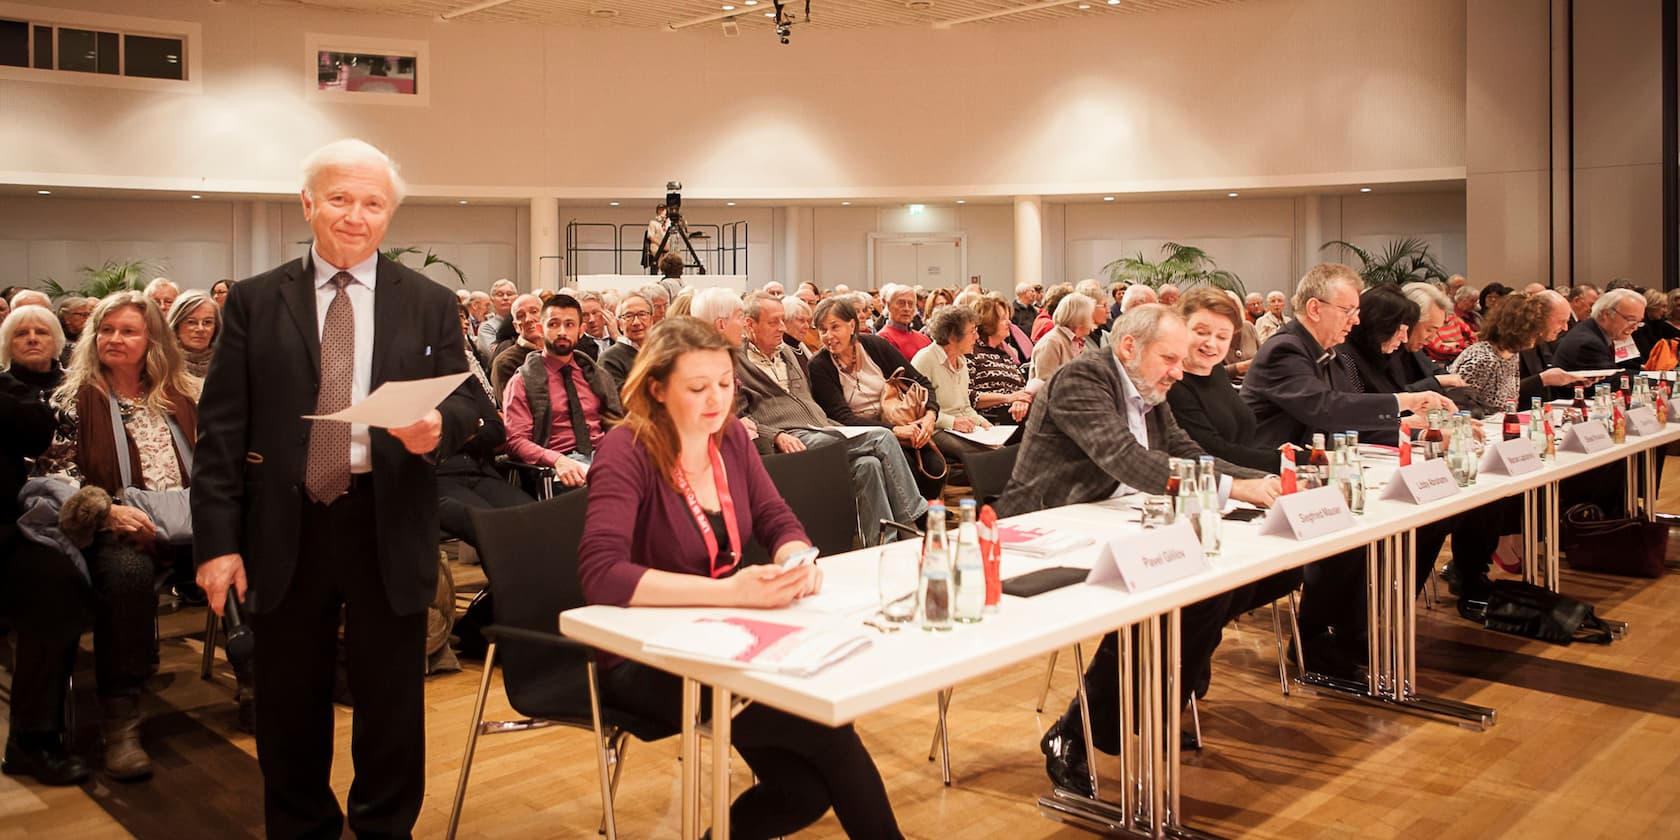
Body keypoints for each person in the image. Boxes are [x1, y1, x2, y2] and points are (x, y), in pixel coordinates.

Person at [192, 139, 480, 839]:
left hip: (387, 520)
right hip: (284, 526)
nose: (356, 216)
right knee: (289, 703)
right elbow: (221, 434)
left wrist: (438, 426)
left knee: (391, 704)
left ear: (390, 216)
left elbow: (477, 412)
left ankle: (385, 828)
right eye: (341, 199)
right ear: (309, 204)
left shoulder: (432, 304)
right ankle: (300, 828)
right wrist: (217, 544)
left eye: (373, 203)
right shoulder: (257, 302)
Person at [577, 316, 905, 839]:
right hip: (647, 654)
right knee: (830, 737)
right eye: (698, 388)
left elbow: (776, 518)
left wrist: (798, 557)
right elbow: (602, 576)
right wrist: (729, 590)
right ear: (657, 389)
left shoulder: (728, 436)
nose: (716, 401)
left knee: (804, 787)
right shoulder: (628, 450)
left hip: (726, 635)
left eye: (726, 385)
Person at [994, 304, 1282, 797]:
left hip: (1116, 520)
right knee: (1176, 592)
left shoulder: (1150, 388)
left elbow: (1185, 450)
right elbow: (1127, 460)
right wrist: (1233, 489)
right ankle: (1083, 730)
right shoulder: (1082, 378)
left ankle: (1138, 710)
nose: (1178, 371)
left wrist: (1267, 481)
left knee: (1219, 585)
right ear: (1130, 347)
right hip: (1045, 529)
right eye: (1169, 359)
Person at [31, 292, 200, 782]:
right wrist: (108, 512)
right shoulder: (71, 397)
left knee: (259, 553)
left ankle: (257, 685)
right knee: (126, 573)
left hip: (191, 518)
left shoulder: (184, 393)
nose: (115, 339)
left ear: (153, 340)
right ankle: (121, 720)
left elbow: (215, 462)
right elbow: (55, 477)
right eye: (106, 330)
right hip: (115, 522)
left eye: (129, 331)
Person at [726, 291, 927, 545]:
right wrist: (775, 435)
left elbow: (809, 402)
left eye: (782, 320)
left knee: (869, 466)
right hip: (791, 436)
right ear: (750, 324)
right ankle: (914, 524)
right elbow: (738, 418)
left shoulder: (788, 352)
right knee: (882, 438)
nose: (781, 327)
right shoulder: (735, 361)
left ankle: (880, 544)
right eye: (773, 322)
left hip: (822, 429)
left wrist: (834, 426)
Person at [1242, 264, 1452, 449]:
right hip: (1271, 470)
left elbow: (1352, 420)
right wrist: (1406, 400)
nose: (1356, 321)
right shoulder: (1284, 349)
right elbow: (1326, 409)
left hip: (1311, 465)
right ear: (1314, 309)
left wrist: (1424, 435)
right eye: (1348, 311)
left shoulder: (1331, 353)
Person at [0, 305, 78, 785]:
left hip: (22, 520)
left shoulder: (46, 393)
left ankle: (31, 739)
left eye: (40, 332)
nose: (31, 339)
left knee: (56, 583)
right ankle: (31, 740)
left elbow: (35, 428)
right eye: (20, 333)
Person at [806, 296, 944, 500]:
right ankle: (912, 522)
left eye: (835, 327)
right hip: (867, 435)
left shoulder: (875, 345)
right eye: (822, 330)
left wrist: (930, 416)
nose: (828, 336)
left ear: (851, 325)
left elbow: (920, 381)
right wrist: (894, 431)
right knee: (908, 469)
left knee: (935, 467)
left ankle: (925, 520)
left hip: (901, 420)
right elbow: (842, 417)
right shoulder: (819, 365)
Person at [502, 294, 622, 491]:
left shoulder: (596, 376)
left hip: (602, 456)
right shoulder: (522, 381)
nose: (562, 332)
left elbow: (615, 423)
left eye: (569, 325)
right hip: (559, 465)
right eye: (554, 324)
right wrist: (556, 460)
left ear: (581, 331)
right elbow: (515, 441)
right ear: (541, 329)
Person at [1165, 289, 1278, 472]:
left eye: (1222, 337)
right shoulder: (1172, 384)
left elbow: (1241, 441)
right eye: (1202, 332)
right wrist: (1287, 460)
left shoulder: (1215, 370)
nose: (1211, 343)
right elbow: (1214, 452)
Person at [911, 304, 1013, 454]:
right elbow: (917, 411)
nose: (977, 337)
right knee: (986, 455)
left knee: (1001, 450)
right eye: (972, 332)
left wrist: (984, 424)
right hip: (936, 430)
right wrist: (953, 422)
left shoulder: (961, 360)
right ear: (952, 337)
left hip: (962, 428)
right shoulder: (925, 359)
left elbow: (965, 407)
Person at [1450, 295, 1552, 416]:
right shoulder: (1482, 358)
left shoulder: (1512, 354)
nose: (1538, 336)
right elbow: (1459, 405)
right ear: (1519, 330)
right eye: (1534, 331)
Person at [968, 296, 1034, 425]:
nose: (1009, 323)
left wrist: (1020, 401)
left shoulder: (1004, 353)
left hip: (1017, 413)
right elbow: (968, 396)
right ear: (989, 322)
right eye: (1003, 319)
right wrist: (1008, 398)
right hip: (993, 419)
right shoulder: (971, 352)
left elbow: (1021, 388)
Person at [1552, 287, 1645, 374]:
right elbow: (1610, 381)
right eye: (1631, 320)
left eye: (1638, 322)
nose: (1635, 327)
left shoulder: (1594, 332)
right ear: (1606, 314)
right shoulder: (1588, 343)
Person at [1030, 290, 1094, 383]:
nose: (1093, 320)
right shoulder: (1051, 343)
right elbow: (1046, 386)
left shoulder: (1078, 342)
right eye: (1090, 316)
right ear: (1079, 318)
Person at [489, 293, 544, 398]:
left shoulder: (560, 353)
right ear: (516, 326)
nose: (528, 319)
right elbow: (512, 409)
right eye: (520, 316)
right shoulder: (505, 362)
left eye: (534, 311)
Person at [600, 292, 654, 390]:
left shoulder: (661, 353)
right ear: (619, 323)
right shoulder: (609, 359)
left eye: (642, 314)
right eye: (628, 316)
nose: (636, 322)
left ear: (651, 319)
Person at [167, 289, 220, 378]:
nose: (200, 329)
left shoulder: (227, 362)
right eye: (191, 322)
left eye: (207, 322)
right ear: (176, 325)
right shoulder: (162, 364)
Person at [876, 284, 931, 360]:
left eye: (911, 304)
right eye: (901, 303)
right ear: (888, 306)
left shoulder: (924, 339)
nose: (906, 309)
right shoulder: (883, 339)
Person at [1425, 286, 1478, 363]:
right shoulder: (1427, 323)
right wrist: (1462, 345)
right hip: (1441, 363)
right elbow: (1439, 348)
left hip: (1462, 358)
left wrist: (1458, 345)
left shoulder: (1454, 319)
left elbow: (1473, 336)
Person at [1222, 290, 1260, 382]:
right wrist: (1244, 366)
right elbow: (1214, 373)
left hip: (1255, 383)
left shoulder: (1248, 327)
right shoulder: (1214, 333)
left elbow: (1262, 355)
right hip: (1228, 386)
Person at [476, 278, 518, 362]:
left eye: (509, 294)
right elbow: (497, 356)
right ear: (492, 300)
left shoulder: (523, 323)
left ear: (517, 298)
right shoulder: (487, 328)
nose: (505, 298)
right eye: (500, 294)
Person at [1632, 288, 1680, 359]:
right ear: (1652, 306)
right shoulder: (1640, 327)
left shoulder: (1656, 324)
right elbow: (1649, 353)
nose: (1665, 311)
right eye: (1663, 307)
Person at [576, 289, 616, 359]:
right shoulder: (577, 344)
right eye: (585, 315)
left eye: (595, 312)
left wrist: (617, 337)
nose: (591, 320)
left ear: (605, 310)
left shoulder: (620, 336)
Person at [57, 295, 94, 366]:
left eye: (89, 314)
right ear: (66, 317)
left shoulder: (91, 338)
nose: (88, 319)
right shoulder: (56, 341)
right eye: (83, 315)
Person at [642, 203, 669, 272]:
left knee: (673, 254)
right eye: (660, 210)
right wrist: (661, 245)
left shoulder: (669, 223)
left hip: (668, 245)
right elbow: (650, 236)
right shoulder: (653, 223)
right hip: (656, 244)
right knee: (657, 253)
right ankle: (660, 269)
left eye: (663, 210)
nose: (662, 211)